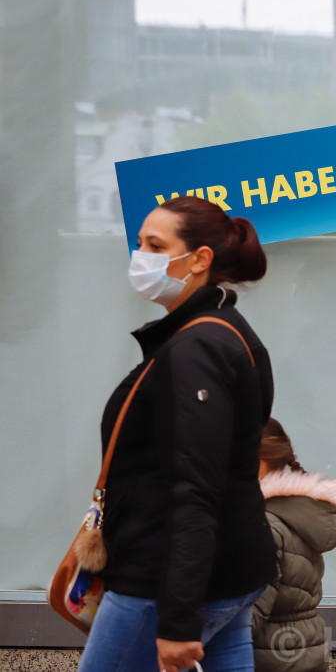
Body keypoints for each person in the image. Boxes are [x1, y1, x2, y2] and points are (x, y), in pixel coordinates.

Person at [78, 196, 277, 672]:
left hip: (165, 581)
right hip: (226, 570)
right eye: (140, 243)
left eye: (155, 245)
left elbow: (195, 489)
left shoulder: (197, 347)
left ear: (199, 259)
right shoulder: (224, 330)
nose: (140, 256)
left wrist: (179, 622)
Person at [252, 418, 336, 672]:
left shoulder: (266, 524)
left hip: (269, 659)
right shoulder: (294, 513)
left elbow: (248, 617)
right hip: (298, 654)